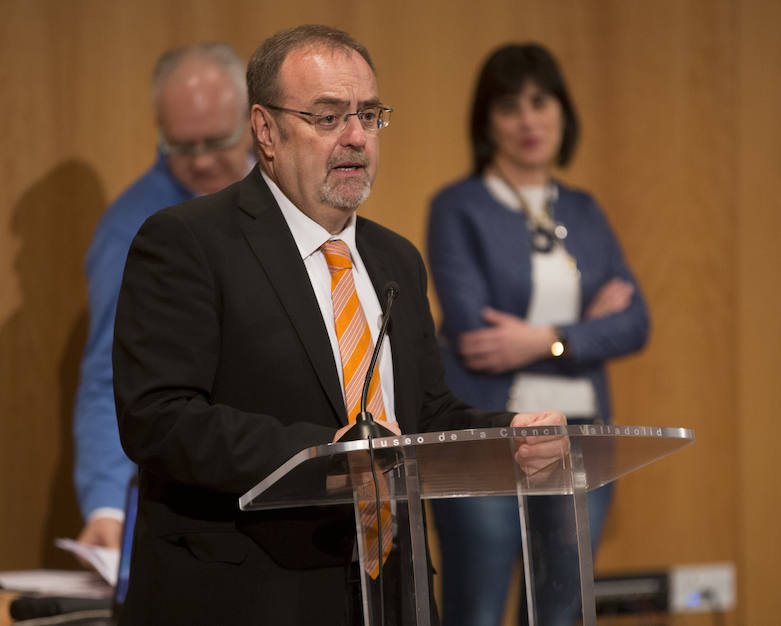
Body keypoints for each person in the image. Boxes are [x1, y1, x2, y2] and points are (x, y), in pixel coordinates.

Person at [112, 25, 567, 626]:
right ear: (266, 130)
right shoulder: (188, 243)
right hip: (249, 595)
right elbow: (159, 420)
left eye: (369, 115)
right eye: (327, 118)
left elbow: (424, 416)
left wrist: (509, 433)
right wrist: (330, 457)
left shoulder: (395, 258)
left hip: (389, 594)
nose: (356, 137)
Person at [427, 43, 650, 625]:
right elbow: (478, 335)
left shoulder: (585, 209)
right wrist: (586, 325)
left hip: (582, 443)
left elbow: (634, 322)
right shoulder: (459, 207)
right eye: (508, 107)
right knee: (474, 611)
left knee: (560, 613)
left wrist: (546, 339)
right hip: (491, 440)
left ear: (562, 112)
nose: (528, 120)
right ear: (487, 123)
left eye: (539, 101)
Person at [72, 43, 254, 550]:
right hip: (193, 498)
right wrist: (106, 504)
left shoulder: (293, 196)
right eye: (180, 145)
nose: (199, 162)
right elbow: (111, 374)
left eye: (217, 141)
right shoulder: (131, 229)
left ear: (251, 120)